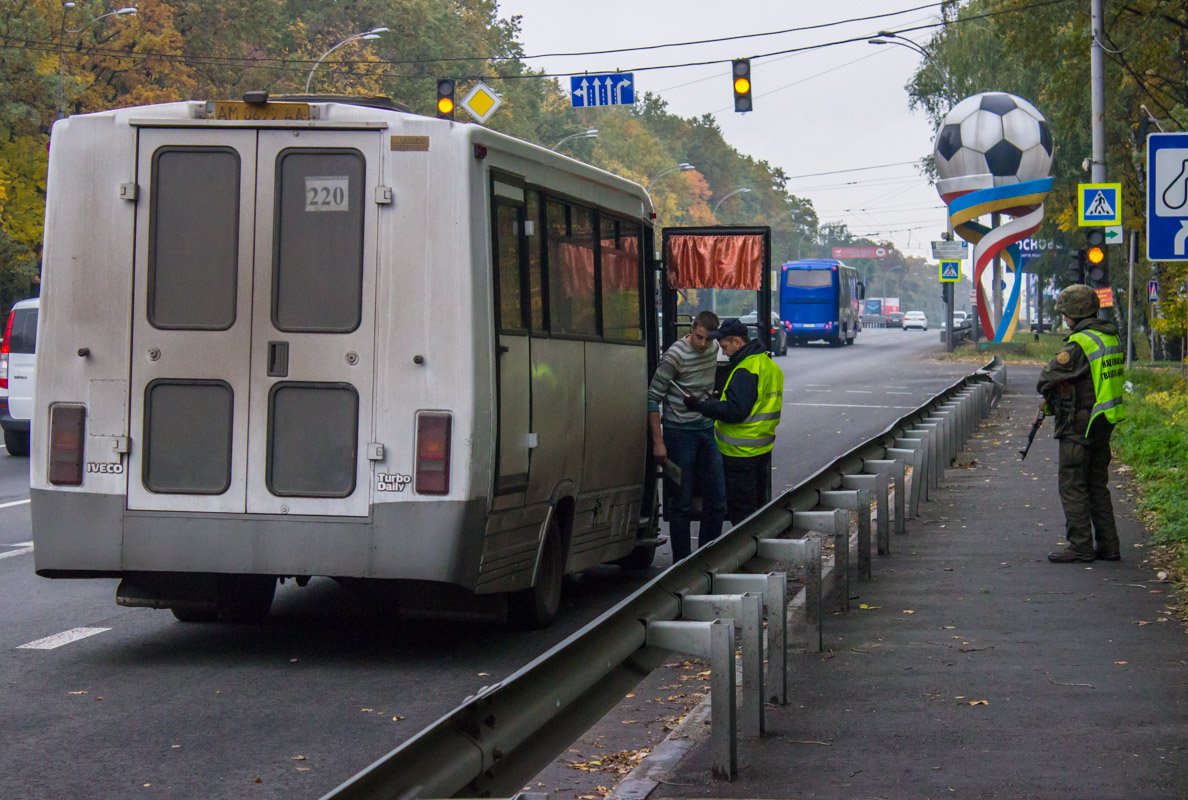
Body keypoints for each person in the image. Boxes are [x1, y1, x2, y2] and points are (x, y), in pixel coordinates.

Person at [1038, 284, 1126, 563]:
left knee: (1073, 485)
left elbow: (1046, 378)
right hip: (1103, 421)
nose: (1064, 318)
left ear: (1074, 312)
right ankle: (1109, 546)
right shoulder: (1109, 337)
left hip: (1079, 424)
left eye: (1065, 313)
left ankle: (1080, 546)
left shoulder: (1080, 344)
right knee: (1097, 485)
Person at [686, 318, 785, 524]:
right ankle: (756, 547)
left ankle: (746, 551)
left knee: (741, 511)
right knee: (755, 506)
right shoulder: (767, 364)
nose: (723, 352)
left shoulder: (745, 369)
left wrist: (701, 405)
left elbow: (735, 411)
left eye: (725, 347)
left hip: (739, 452)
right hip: (760, 448)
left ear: (737, 341)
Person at [647, 310, 727, 562]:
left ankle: (706, 556)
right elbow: (653, 398)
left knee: (717, 500)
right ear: (692, 329)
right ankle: (682, 562)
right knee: (680, 502)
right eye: (698, 337)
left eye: (707, 339)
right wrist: (658, 443)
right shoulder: (675, 355)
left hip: (705, 430)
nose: (702, 344)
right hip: (679, 434)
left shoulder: (714, 348)